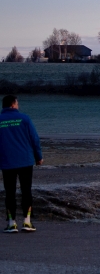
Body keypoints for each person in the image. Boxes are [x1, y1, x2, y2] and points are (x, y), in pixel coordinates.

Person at [0, 95, 43, 233]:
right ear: (13, 105)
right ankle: (27, 221)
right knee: (26, 190)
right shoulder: (24, 119)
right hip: (25, 160)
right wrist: (38, 157)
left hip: (7, 161)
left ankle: (12, 223)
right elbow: (34, 139)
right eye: (17, 103)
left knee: (10, 192)